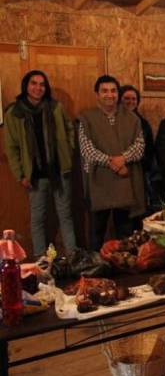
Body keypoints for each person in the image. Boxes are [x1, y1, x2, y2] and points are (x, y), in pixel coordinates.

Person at [3, 70, 77, 256]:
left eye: (42, 84)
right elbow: (11, 147)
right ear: (26, 86)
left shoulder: (55, 107)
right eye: (33, 83)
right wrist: (20, 174)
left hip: (59, 171)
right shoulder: (15, 112)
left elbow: (70, 127)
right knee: (37, 219)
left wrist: (68, 151)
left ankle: (73, 256)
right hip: (34, 176)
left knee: (65, 216)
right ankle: (40, 261)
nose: (38, 88)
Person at [78, 75, 145, 251]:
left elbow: (139, 147)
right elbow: (87, 150)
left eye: (113, 90)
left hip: (125, 184)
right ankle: (96, 270)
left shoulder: (132, 118)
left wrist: (123, 159)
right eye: (105, 91)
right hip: (99, 183)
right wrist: (112, 163)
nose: (110, 95)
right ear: (97, 94)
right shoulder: (87, 118)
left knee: (125, 233)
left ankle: (125, 271)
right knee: (96, 233)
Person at [119, 85, 160, 215]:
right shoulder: (114, 121)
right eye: (126, 99)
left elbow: (148, 150)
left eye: (133, 99)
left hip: (140, 173)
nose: (130, 102)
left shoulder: (143, 123)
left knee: (139, 212)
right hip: (118, 172)